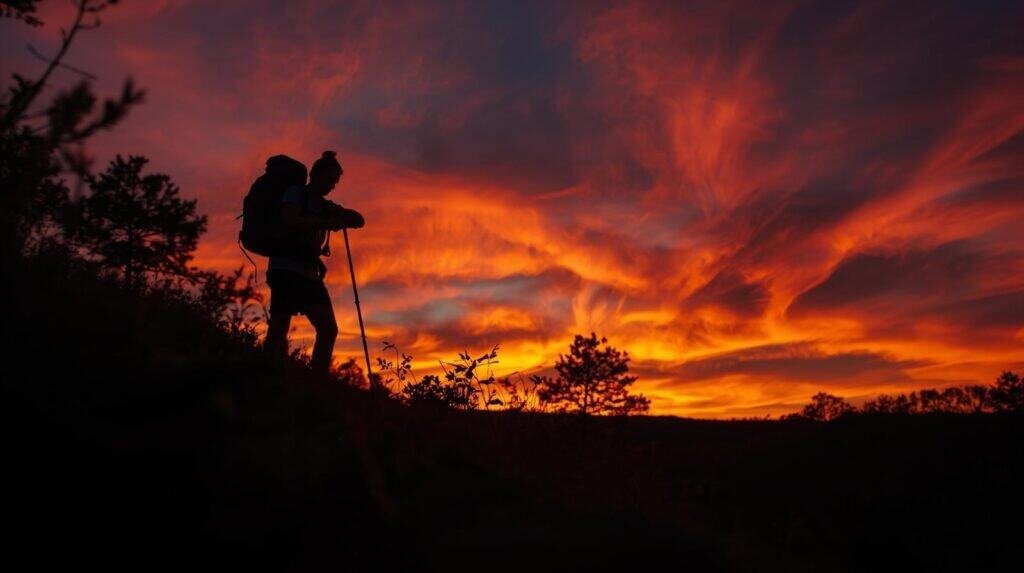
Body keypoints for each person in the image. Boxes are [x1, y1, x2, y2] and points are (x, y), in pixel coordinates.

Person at [264, 150, 364, 378]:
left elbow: (359, 220)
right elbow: (289, 219)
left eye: (335, 182)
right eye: (329, 179)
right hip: (285, 269)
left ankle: (315, 382)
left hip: (308, 273)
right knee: (280, 327)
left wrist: (342, 217)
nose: (332, 185)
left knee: (328, 330)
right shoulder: (295, 193)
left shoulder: (325, 206)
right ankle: (269, 373)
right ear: (314, 174)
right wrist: (327, 222)